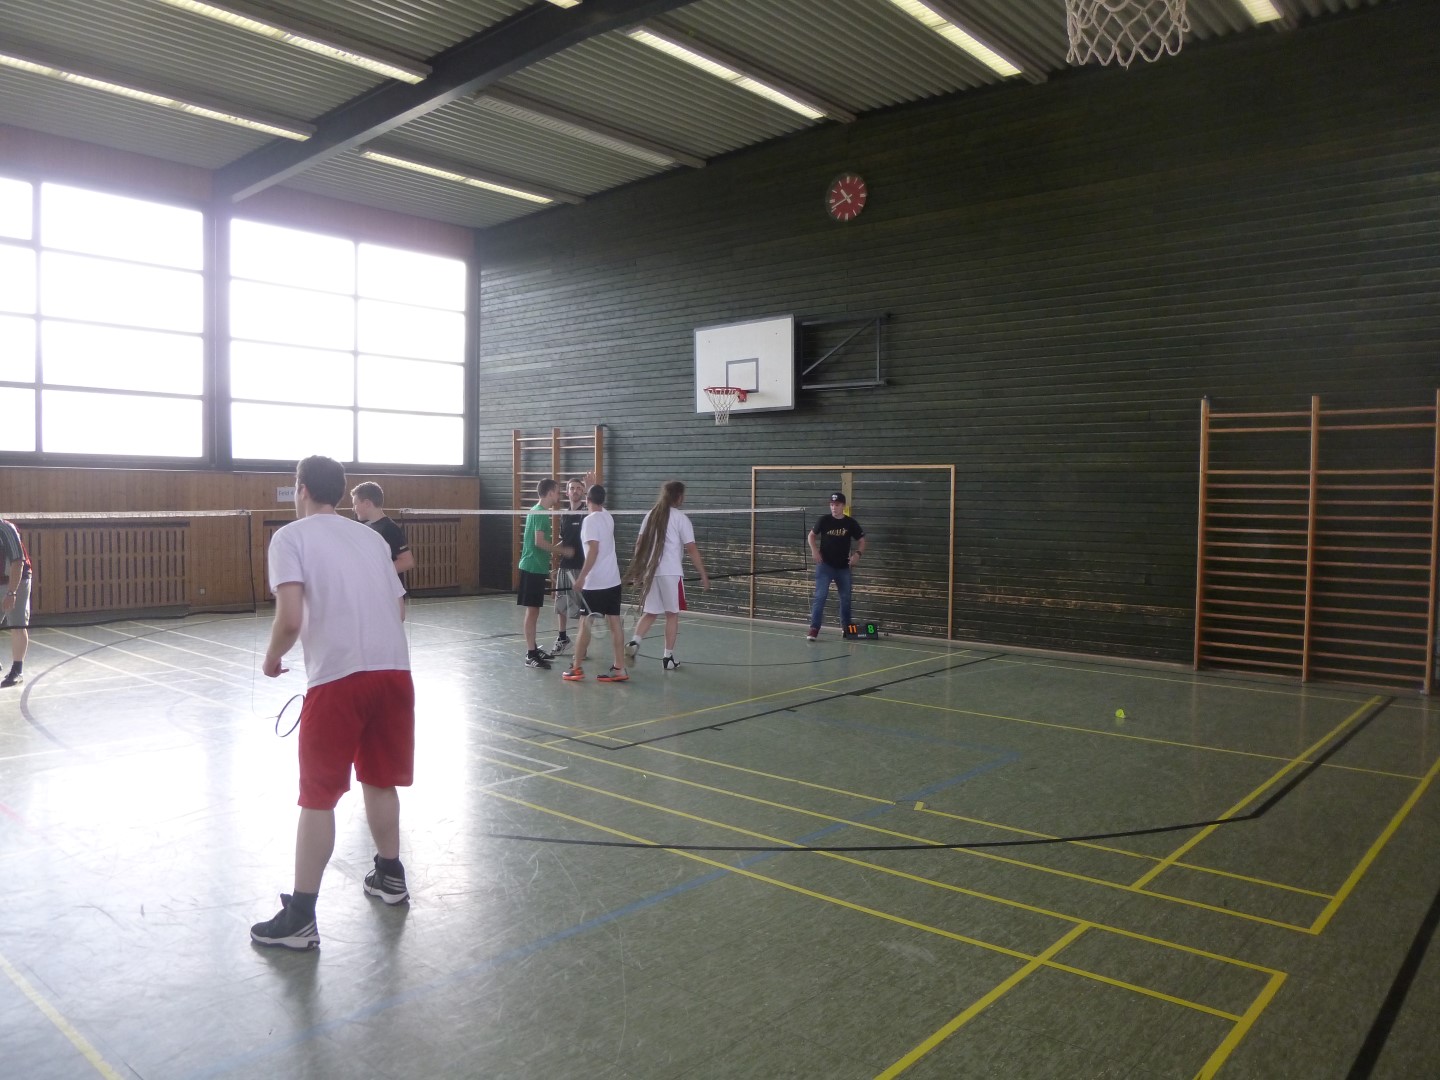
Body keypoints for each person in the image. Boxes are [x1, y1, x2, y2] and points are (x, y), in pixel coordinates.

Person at [250, 455, 414, 951]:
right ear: (342, 493)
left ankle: (300, 917)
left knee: (318, 797)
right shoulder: (371, 538)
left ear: (301, 488)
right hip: (394, 673)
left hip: (339, 680)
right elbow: (399, 607)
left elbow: (290, 618)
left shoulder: (289, 538)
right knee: (380, 779)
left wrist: (272, 658)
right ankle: (390, 875)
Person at [623, 481, 708, 670]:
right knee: (672, 615)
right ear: (679, 497)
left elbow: (639, 544)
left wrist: (639, 570)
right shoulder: (680, 518)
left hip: (651, 572)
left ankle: (635, 642)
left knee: (651, 612)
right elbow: (691, 549)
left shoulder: (650, 515)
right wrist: (703, 573)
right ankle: (668, 658)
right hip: (671, 573)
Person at [561, 484, 629, 683]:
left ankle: (576, 668)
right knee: (615, 623)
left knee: (585, 624)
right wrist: (594, 483)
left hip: (595, 583)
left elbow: (593, 551)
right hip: (613, 580)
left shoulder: (590, 521)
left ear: (587, 499)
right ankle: (620, 668)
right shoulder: (608, 517)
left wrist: (582, 577)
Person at [807, 491, 866, 641]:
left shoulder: (850, 523)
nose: (834, 507)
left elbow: (862, 541)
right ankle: (814, 629)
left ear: (843, 506)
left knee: (846, 597)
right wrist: (814, 550)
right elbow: (811, 536)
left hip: (843, 567)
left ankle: (847, 628)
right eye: (832, 505)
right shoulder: (824, 520)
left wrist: (857, 554)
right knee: (820, 596)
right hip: (825, 566)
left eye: (837, 505)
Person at [518, 478, 562, 669]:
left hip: (536, 567)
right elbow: (539, 542)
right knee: (532, 611)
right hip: (531, 567)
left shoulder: (538, 511)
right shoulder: (541, 513)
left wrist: (548, 567)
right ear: (550, 493)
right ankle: (530, 654)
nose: (559, 495)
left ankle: (534, 648)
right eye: (557, 492)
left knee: (534, 610)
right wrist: (562, 550)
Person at [550, 476, 588, 657]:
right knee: (561, 604)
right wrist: (551, 552)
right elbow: (564, 541)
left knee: (582, 608)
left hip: (581, 567)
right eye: (572, 488)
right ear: (567, 493)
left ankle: (582, 645)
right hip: (564, 567)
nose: (575, 491)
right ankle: (562, 638)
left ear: (583, 492)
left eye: (579, 488)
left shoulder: (586, 513)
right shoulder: (564, 514)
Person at [350, 482, 415, 576]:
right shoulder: (367, 526)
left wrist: (375, 573)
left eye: (355, 504)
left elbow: (407, 562)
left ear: (367, 503)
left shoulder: (389, 528)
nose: (353, 509)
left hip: (387, 585)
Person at [0, 517, 32, 688]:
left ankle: (17, 670)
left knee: (17, 624)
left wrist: (12, 592)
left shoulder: (6, 529)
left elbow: (18, 562)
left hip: (16, 579)